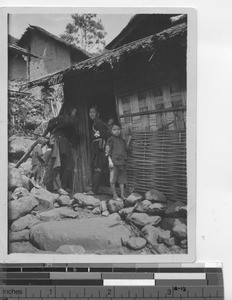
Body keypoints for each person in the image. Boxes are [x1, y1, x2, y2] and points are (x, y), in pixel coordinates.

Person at [44, 107, 78, 195]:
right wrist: (73, 115)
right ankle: (57, 187)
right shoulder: (62, 119)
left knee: (68, 164)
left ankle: (62, 186)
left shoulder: (62, 120)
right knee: (57, 164)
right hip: (58, 141)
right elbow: (49, 129)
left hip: (65, 141)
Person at [87, 106, 111, 195]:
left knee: (98, 168)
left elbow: (106, 135)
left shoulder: (99, 123)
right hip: (96, 147)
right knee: (98, 167)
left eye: (93, 112)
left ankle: (94, 190)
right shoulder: (96, 123)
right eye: (90, 112)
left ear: (98, 114)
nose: (91, 114)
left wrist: (100, 139)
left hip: (99, 148)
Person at [105, 122, 132, 200]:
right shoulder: (110, 140)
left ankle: (122, 195)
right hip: (113, 162)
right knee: (113, 179)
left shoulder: (122, 140)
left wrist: (129, 140)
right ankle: (114, 195)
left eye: (118, 129)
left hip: (122, 162)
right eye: (114, 130)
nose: (116, 131)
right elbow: (107, 151)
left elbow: (127, 149)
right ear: (111, 131)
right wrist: (109, 161)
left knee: (122, 179)